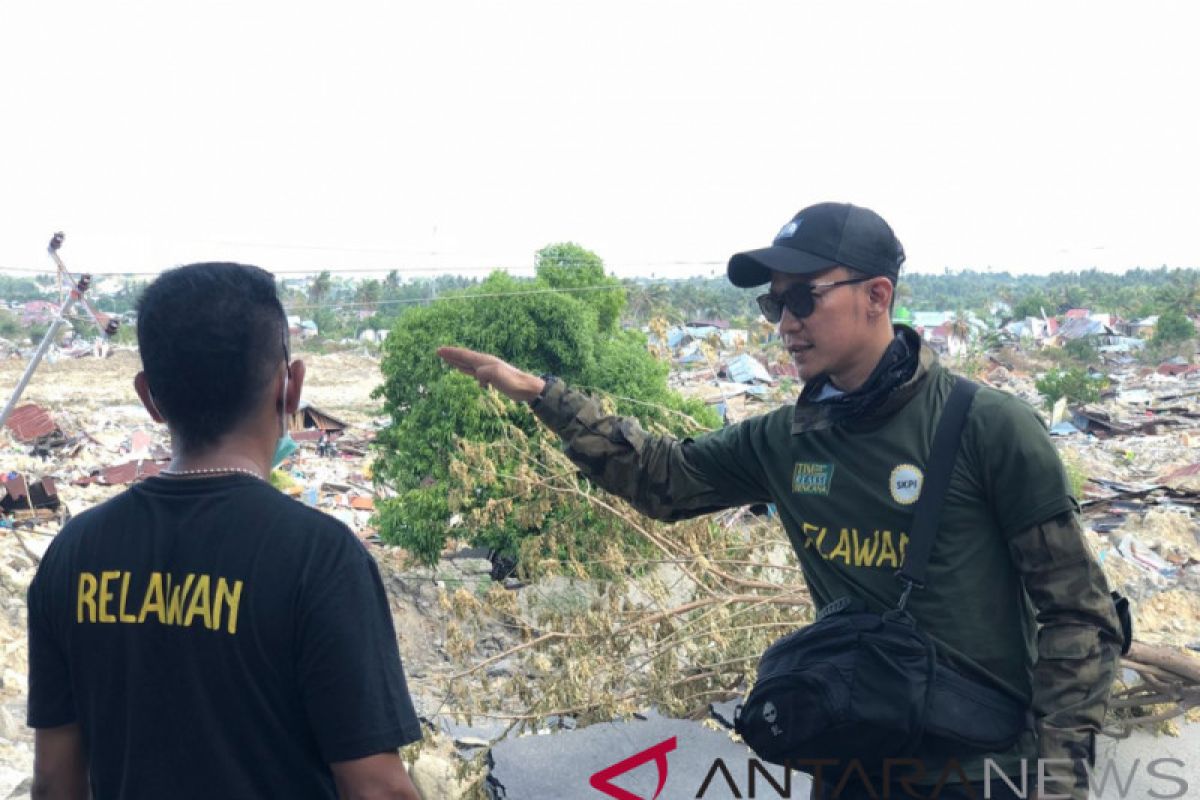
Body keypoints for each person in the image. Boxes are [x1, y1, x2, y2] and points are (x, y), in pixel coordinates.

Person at [438, 202, 1123, 800]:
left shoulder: (986, 427)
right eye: (774, 304)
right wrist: (543, 397)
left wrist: (1053, 782)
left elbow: (1079, 615)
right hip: (852, 762)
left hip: (980, 772)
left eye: (804, 299)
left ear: (877, 296)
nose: (785, 323)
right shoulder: (785, 440)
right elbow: (663, 478)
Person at [28, 263, 424, 800]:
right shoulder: (320, 559)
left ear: (150, 396)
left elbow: (55, 784)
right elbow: (377, 790)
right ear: (292, 386)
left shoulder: (73, 554)